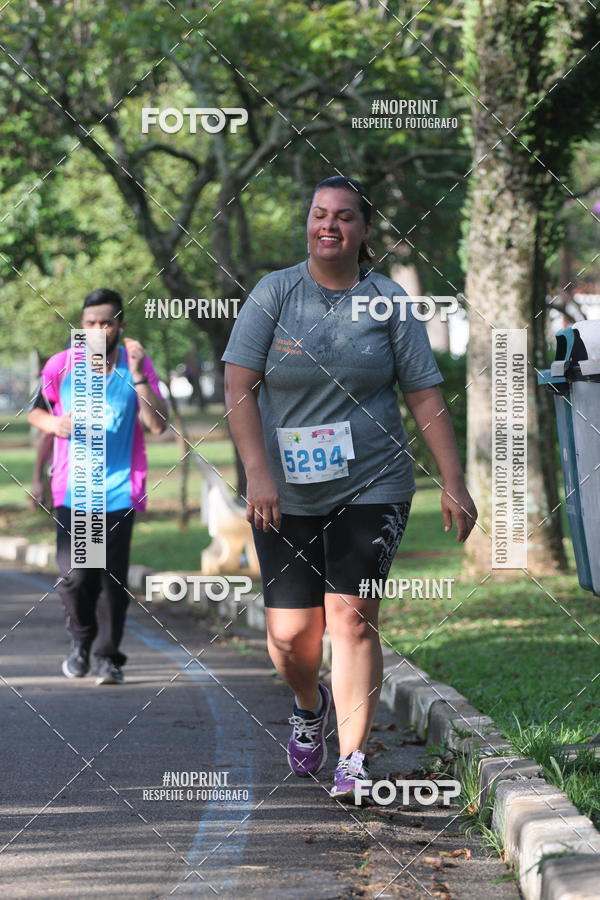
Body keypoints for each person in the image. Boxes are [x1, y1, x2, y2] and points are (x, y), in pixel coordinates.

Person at [222, 176, 477, 802]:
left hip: (373, 481)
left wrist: (453, 481)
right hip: (283, 490)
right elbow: (238, 384)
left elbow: (423, 393)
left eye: (343, 217)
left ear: (365, 231)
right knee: (288, 636)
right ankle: (311, 706)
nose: (328, 226)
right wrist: (257, 473)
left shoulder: (389, 301)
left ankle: (355, 759)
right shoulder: (275, 293)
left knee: (353, 617)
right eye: (318, 214)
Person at [28, 288, 168, 685]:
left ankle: (108, 658)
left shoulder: (135, 365)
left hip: (120, 488)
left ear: (120, 325)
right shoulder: (61, 365)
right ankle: (82, 641)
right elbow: (36, 411)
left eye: (104, 323)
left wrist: (140, 375)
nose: (95, 330)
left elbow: (158, 425)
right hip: (74, 489)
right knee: (77, 576)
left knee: (111, 578)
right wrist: (54, 425)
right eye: (88, 323)